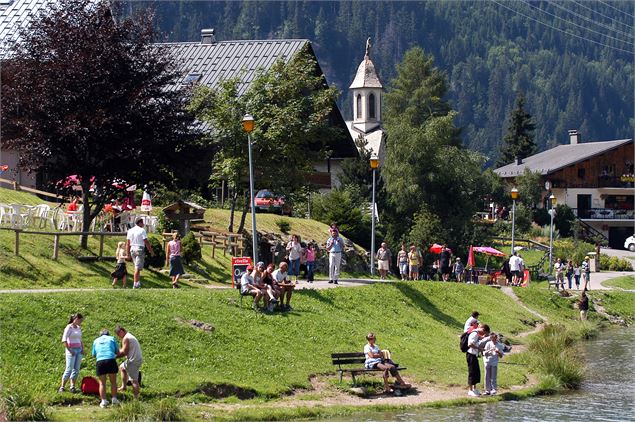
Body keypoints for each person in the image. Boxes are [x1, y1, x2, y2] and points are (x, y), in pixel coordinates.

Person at [91, 329, 120, 408]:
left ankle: (103, 401)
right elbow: (117, 352)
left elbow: (93, 354)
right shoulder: (111, 338)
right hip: (110, 360)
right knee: (113, 382)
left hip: (100, 361)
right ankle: (114, 400)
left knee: (102, 383)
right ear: (108, 334)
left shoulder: (96, 340)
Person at [126, 218, 155, 289]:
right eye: (142, 222)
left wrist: (128, 253)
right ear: (139, 223)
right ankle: (135, 284)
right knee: (137, 268)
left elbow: (128, 243)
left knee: (137, 267)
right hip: (139, 249)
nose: (143, 224)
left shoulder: (130, 230)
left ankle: (138, 283)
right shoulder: (142, 230)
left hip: (132, 249)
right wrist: (151, 251)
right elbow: (146, 241)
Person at [115, 326, 143, 400]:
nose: (118, 336)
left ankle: (136, 398)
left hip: (133, 360)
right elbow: (124, 349)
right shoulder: (129, 336)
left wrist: (114, 356)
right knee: (122, 367)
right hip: (136, 359)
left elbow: (124, 352)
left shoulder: (126, 338)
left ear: (122, 331)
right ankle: (124, 387)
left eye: (118, 334)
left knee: (134, 380)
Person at [59, 313, 84, 393]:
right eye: (80, 320)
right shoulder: (69, 328)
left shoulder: (78, 328)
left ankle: (72, 386)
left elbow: (80, 339)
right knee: (69, 368)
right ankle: (62, 386)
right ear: (75, 319)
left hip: (79, 349)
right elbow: (64, 340)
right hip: (71, 349)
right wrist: (70, 350)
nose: (80, 322)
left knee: (76, 369)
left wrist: (82, 348)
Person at [467, 323, 490, 396]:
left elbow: (479, 339)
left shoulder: (477, 333)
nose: (483, 334)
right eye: (484, 332)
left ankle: (474, 389)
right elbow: (470, 344)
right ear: (483, 329)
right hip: (470, 355)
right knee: (472, 372)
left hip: (474, 355)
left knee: (476, 372)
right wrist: (479, 348)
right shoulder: (474, 333)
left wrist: (486, 337)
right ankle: (470, 390)